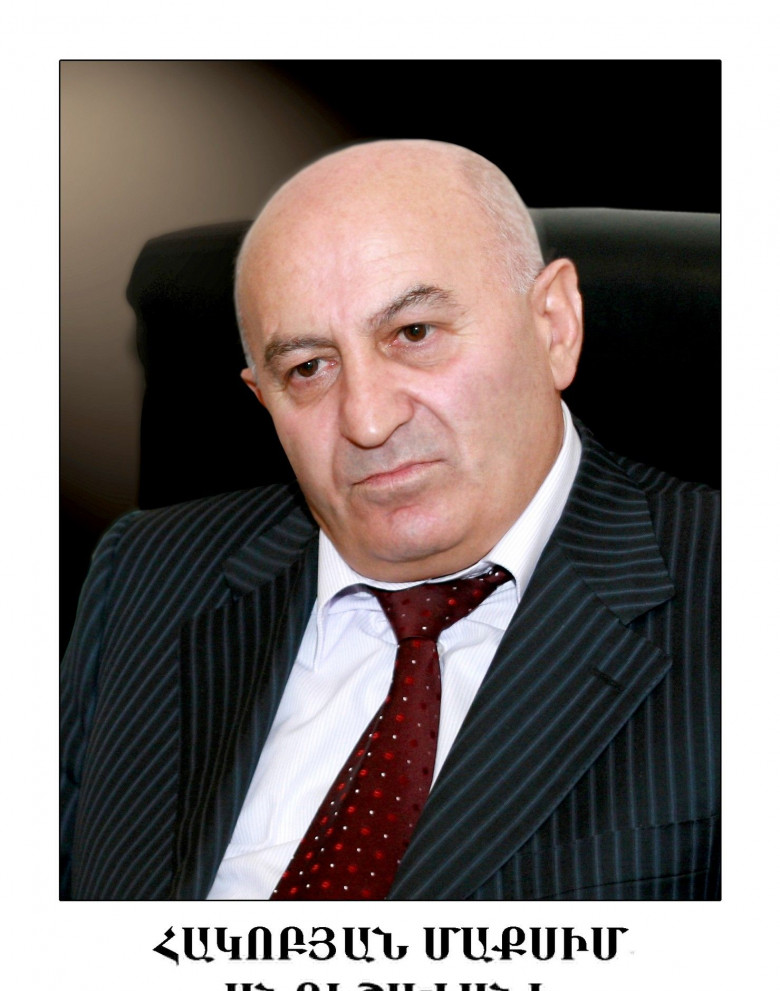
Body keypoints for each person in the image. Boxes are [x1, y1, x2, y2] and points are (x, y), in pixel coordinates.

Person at [60, 139, 719, 901]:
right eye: (308, 367)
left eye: (414, 334)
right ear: (262, 398)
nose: (368, 421)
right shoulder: (147, 575)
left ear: (554, 324)